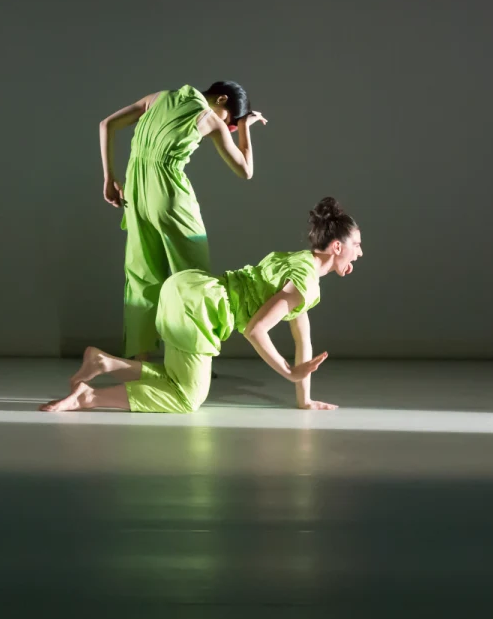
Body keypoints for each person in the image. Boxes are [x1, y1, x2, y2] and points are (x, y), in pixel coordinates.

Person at [40, 198, 363, 413]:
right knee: (187, 397)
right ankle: (89, 397)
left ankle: (104, 363)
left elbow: (302, 340)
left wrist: (304, 399)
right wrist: (288, 372)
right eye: (357, 245)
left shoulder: (299, 263)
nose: (359, 253)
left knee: (175, 376)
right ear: (337, 247)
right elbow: (256, 329)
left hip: (185, 288)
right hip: (201, 308)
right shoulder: (305, 281)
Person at [99, 81, 267, 362]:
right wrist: (246, 127)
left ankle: (140, 362)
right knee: (193, 279)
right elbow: (246, 170)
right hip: (170, 196)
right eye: (231, 121)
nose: (228, 127)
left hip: (135, 194)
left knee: (143, 278)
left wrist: (108, 178)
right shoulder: (210, 118)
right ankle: (189, 361)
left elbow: (107, 124)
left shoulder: (157, 97)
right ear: (222, 99)